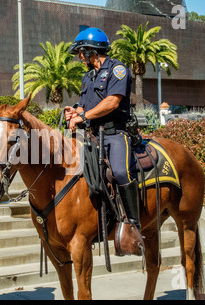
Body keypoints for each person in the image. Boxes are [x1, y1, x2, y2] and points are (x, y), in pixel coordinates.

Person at [65, 27, 141, 231]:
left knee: (120, 171)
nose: (79, 57)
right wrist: (74, 112)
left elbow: (112, 102)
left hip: (114, 133)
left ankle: (133, 222)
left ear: (91, 50)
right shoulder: (88, 76)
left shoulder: (118, 69)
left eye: (81, 52)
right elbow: (83, 105)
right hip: (90, 135)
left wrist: (83, 116)